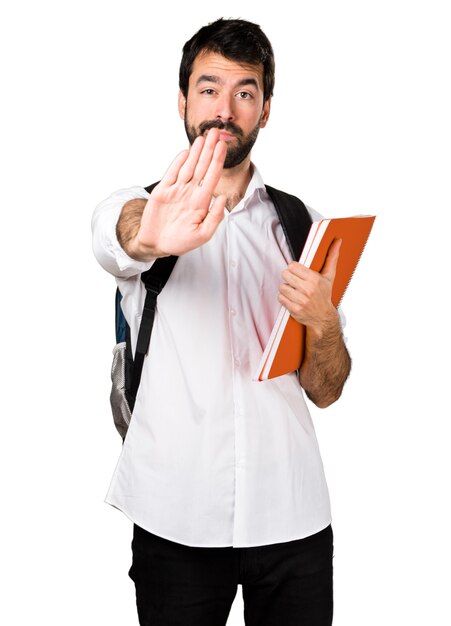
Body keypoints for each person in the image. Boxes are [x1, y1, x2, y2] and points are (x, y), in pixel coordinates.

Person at [92, 17, 351, 626]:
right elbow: (119, 237)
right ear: (183, 101)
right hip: (173, 515)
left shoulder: (304, 225)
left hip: (293, 516)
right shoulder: (139, 206)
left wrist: (325, 323)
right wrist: (149, 233)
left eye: (245, 91)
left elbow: (328, 388)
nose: (224, 108)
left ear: (265, 110)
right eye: (208, 88)